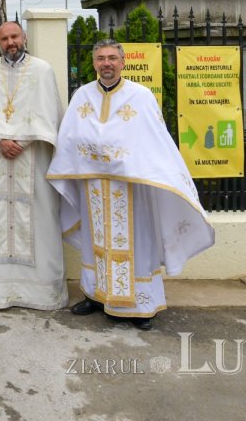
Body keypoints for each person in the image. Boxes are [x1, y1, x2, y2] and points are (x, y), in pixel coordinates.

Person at [49, 39, 215, 331]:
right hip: (94, 188)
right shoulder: (82, 96)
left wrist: (118, 157)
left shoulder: (141, 96)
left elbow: (154, 141)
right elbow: (69, 139)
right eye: (101, 58)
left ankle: (141, 305)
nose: (106, 63)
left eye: (112, 58)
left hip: (130, 187)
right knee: (94, 241)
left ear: (123, 62)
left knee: (136, 244)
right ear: (94, 63)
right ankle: (96, 296)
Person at [0, 22, 67, 311]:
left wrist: (22, 139)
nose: (10, 43)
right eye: (4, 38)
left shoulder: (42, 69)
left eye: (14, 37)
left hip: (34, 157)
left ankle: (42, 293)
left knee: (38, 220)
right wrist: (0, 139)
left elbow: (50, 115)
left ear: (25, 37)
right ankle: (1, 292)